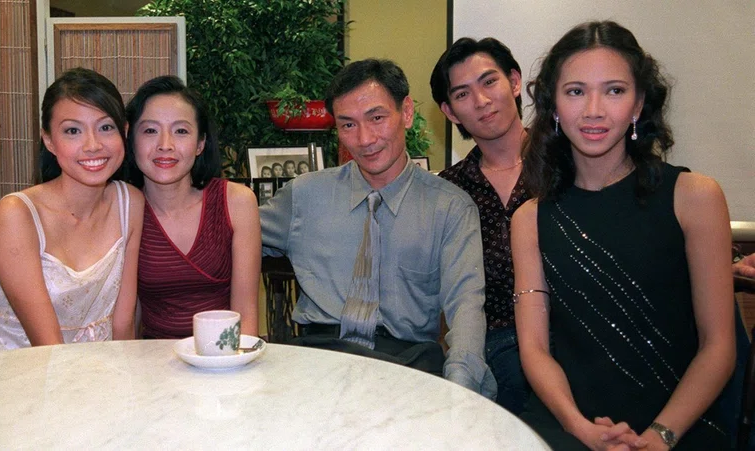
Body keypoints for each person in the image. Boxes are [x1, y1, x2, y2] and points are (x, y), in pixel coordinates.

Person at [512, 21, 734, 450]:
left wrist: (659, 436)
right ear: (553, 105)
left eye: (614, 90)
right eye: (575, 91)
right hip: (568, 424)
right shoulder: (530, 219)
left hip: (680, 425)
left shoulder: (694, 197)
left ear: (638, 104)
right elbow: (535, 349)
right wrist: (579, 427)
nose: (594, 110)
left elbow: (719, 345)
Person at [261, 58, 495, 397]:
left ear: (408, 112)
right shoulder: (304, 196)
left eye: (377, 118)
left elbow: (466, 306)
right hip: (318, 359)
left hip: (407, 364)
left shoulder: (450, 208)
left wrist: (460, 389)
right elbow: (230, 233)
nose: (365, 139)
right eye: (348, 125)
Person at [0, 68, 143, 351]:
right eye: (73, 131)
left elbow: (122, 325)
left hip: (104, 376)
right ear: (49, 140)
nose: (93, 145)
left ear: (124, 132)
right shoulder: (16, 215)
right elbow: (48, 347)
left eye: (105, 127)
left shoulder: (130, 203)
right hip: (20, 381)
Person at [430, 37, 531, 414]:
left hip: (576, 336)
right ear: (450, 111)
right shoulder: (449, 191)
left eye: (490, 82)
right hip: (495, 344)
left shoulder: (568, 165)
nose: (481, 101)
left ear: (515, 82)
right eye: (462, 94)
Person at [123, 75, 260, 339]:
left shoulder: (237, 202)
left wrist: (239, 374)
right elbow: (129, 316)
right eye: (150, 130)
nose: (165, 145)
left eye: (181, 131)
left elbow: (246, 310)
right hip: (152, 363)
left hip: (223, 361)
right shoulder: (124, 208)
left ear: (200, 144)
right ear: (131, 139)